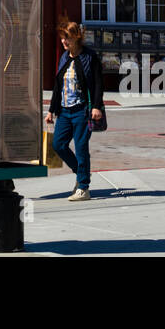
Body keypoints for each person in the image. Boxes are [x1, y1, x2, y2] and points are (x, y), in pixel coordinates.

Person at [44, 18, 105, 202]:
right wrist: (51, 110)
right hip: (64, 111)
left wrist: (96, 106)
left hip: (82, 111)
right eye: (62, 38)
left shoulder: (89, 57)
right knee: (58, 145)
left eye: (67, 38)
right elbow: (57, 86)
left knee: (80, 148)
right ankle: (81, 174)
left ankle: (83, 188)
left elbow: (97, 84)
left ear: (77, 38)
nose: (63, 41)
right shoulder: (63, 57)